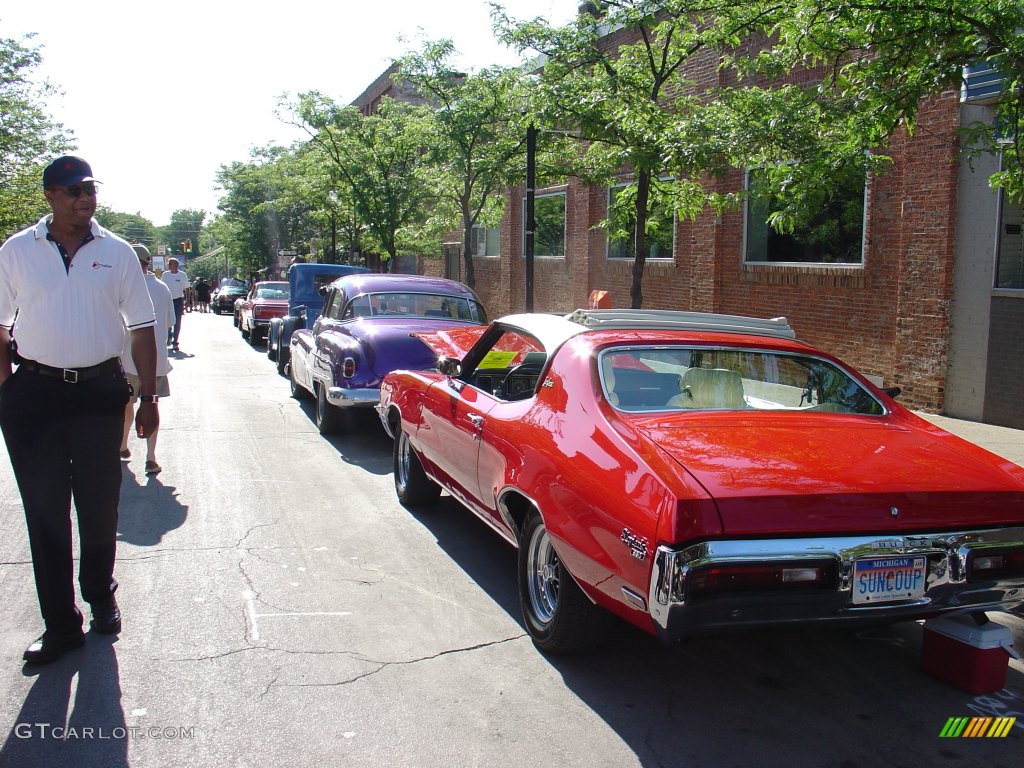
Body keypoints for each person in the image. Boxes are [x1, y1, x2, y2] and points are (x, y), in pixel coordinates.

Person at [0, 155, 158, 665]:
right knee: (45, 513)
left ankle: (100, 596)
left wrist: (149, 397)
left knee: (98, 507)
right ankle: (61, 625)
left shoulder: (116, 253)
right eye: (72, 190)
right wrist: (7, 389)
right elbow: (0, 325)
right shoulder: (17, 251)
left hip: (97, 394)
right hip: (35, 397)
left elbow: (141, 327)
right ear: (49, 195)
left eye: (89, 188)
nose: (84, 197)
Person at [120, 244, 174, 475]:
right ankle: (151, 457)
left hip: (127, 359)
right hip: (156, 361)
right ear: (148, 262)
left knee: (126, 405)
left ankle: (122, 446)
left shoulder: (120, 286)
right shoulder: (161, 288)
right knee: (151, 403)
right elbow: (170, 322)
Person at [160, 257, 189, 351]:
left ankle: (175, 342)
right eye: (170, 264)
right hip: (167, 300)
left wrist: (188, 300)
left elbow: (187, 288)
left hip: (178, 301)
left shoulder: (182, 275)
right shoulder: (165, 275)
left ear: (176, 265)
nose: (170, 265)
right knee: (167, 320)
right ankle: (169, 336)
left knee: (177, 322)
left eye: (172, 263)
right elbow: (162, 287)